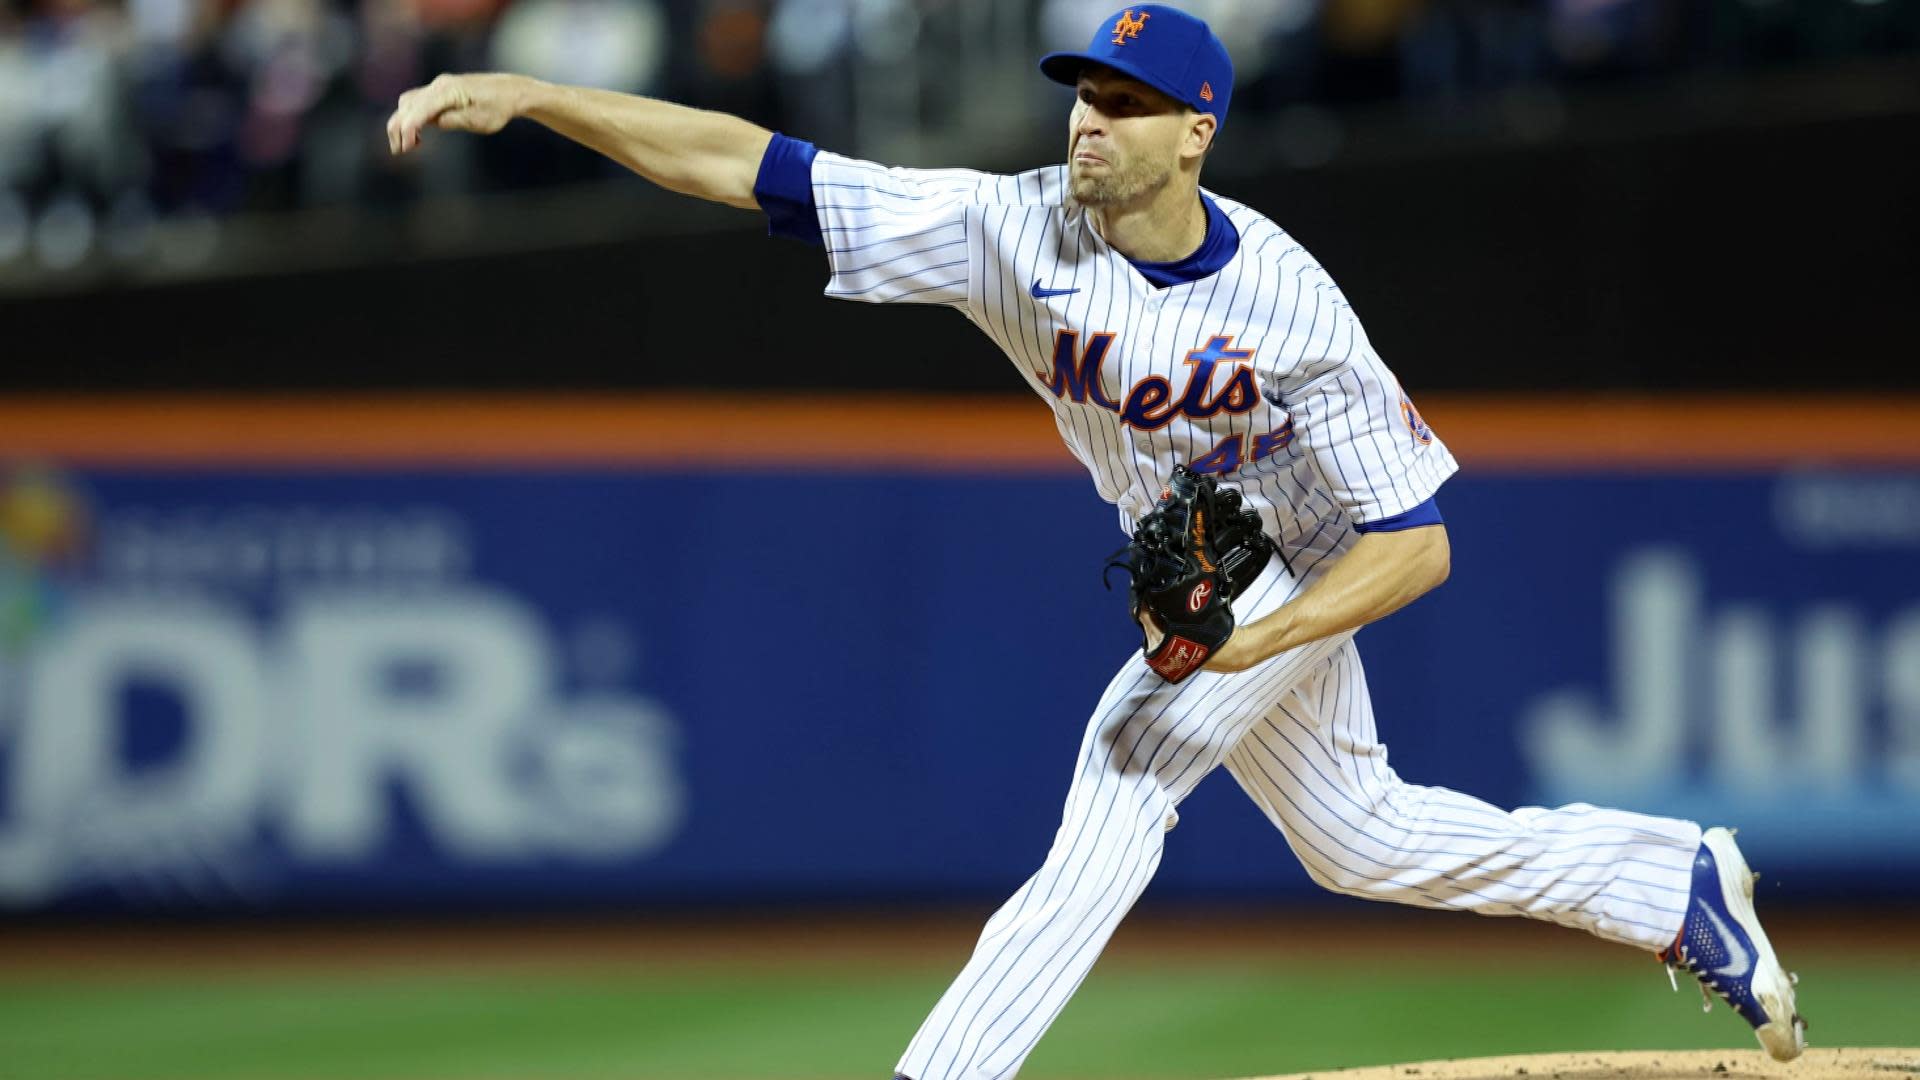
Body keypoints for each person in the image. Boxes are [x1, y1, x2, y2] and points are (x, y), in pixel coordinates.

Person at [385, 7, 1807, 1078]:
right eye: (1083, 94)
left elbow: (1416, 545)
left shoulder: (1292, 306)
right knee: (1360, 839)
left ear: (1197, 132)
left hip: (1297, 559)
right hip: (1195, 553)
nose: (1089, 123)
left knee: (1125, 774)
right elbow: (757, 169)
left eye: (1128, 105)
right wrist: (534, 93)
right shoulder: (1008, 229)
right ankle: (1665, 877)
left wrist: (1252, 638)